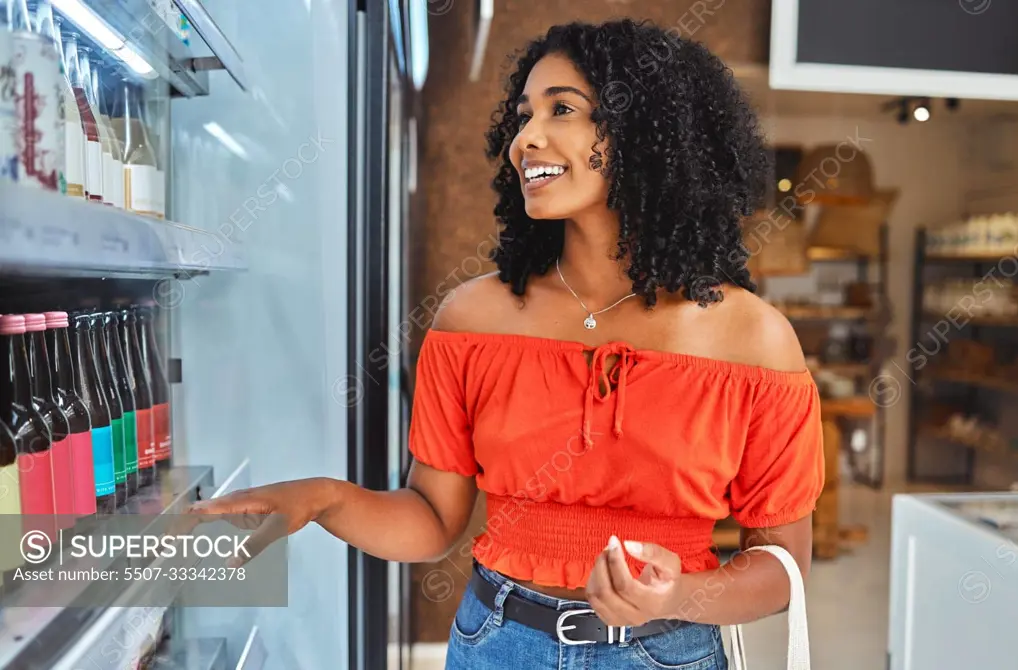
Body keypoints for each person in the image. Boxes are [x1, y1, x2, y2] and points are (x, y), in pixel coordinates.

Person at [188, 18, 824, 669]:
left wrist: (677, 595)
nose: (526, 139)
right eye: (523, 116)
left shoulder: (753, 340)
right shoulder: (472, 318)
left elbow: (780, 567)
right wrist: (321, 499)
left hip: (668, 652)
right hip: (495, 643)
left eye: (562, 111)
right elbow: (433, 520)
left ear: (648, 132)